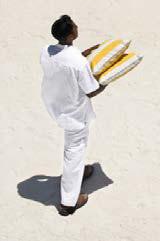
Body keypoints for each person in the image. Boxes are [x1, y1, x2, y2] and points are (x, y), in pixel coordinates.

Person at [40, 15, 106, 216]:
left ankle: (78, 173)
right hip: (73, 114)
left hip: (55, 104)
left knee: (74, 151)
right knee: (74, 151)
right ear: (70, 35)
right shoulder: (78, 62)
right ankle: (69, 202)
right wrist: (107, 80)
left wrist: (84, 54)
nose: (77, 27)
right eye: (75, 27)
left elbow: (66, 60)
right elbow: (91, 90)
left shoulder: (46, 51)